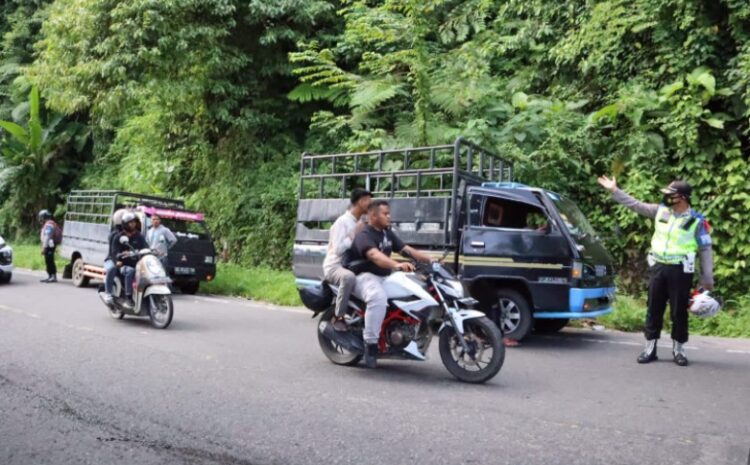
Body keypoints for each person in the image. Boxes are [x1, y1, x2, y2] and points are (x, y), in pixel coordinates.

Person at [597, 175, 714, 366]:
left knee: (679, 311)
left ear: (682, 198)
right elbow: (635, 205)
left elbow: (706, 249)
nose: (666, 197)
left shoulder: (697, 221)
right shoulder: (661, 211)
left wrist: (707, 279)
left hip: (681, 270)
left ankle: (679, 350)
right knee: (653, 308)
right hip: (658, 268)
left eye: (671, 194)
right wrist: (614, 190)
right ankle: (650, 349)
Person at [346, 199, 434, 368]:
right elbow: (374, 256)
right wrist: (396, 265)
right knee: (377, 298)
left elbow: (406, 249)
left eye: (389, 213)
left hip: (384, 276)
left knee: (411, 290)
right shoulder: (364, 235)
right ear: (373, 216)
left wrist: (432, 260)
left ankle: (400, 331)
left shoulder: (387, 233)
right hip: (364, 276)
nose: (389, 217)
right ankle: (370, 345)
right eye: (385, 214)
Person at [323, 188, 373, 331]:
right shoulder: (342, 222)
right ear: (361, 201)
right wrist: (353, 234)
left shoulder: (360, 222)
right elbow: (338, 249)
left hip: (352, 264)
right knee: (349, 278)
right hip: (335, 266)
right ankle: (338, 316)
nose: (370, 205)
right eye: (368, 201)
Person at [114, 211, 148, 309]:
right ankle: (128, 297)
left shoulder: (139, 236)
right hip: (124, 265)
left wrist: (153, 251)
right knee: (130, 271)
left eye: (134, 222)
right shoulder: (119, 237)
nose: (133, 224)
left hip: (138, 264)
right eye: (130, 222)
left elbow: (146, 247)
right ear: (125, 224)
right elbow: (114, 252)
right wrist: (121, 255)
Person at [102, 209, 127, 305]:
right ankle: (108, 293)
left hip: (126, 260)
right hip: (112, 259)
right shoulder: (114, 234)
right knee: (112, 268)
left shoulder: (133, 233)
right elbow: (113, 252)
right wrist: (117, 259)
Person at [38, 209, 59, 283]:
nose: (40, 219)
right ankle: (50, 276)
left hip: (49, 246)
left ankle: (53, 276)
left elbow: (47, 236)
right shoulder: (48, 224)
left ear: (44, 217)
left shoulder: (49, 225)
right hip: (48, 245)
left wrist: (44, 248)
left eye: (41, 217)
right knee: (48, 260)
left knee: (50, 260)